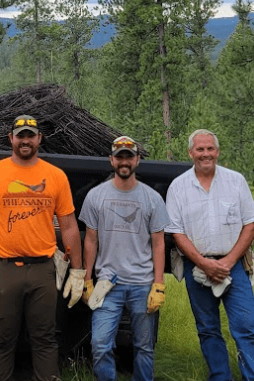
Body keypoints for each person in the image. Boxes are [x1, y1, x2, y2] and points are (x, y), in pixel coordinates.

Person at [0, 114, 85, 381]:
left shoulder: (55, 176)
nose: (25, 140)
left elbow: (68, 226)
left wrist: (78, 271)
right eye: (20, 135)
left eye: (30, 135)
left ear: (39, 139)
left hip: (44, 270)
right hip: (2, 269)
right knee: (1, 339)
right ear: (11, 139)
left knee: (45, 338)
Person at [165, 129, 254, 381]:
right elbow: (176, 232)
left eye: (210, 149)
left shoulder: (235, 181)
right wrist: (203, 263)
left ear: (217, 152)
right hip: (195, 267)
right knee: (208, 329)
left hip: (235, 266)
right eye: (200, 149)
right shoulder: (178, 187)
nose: (205, 154)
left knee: (247, 328)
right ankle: (221, 377)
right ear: (190, 153)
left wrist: (228, 262)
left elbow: (251, 224)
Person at [79, 136, 169, 381]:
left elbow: (158, 243)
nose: (124, 161)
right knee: (99, 344)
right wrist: (87, 279)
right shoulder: (96, 196)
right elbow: (90, 240)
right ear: (111, 160)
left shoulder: (152, 199)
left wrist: (158, 284)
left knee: (144, 347)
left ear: (137, 160)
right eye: (119, 156)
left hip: (143, 283)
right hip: (107, 283)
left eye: (129, 156)